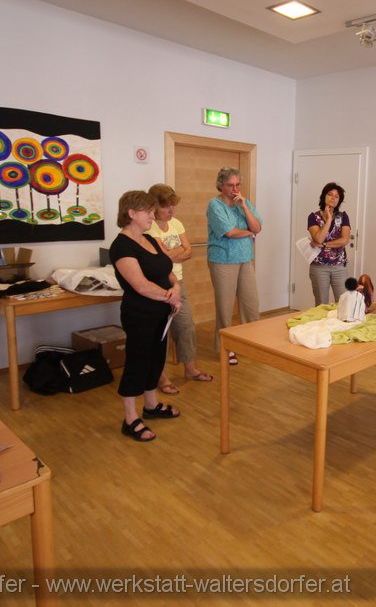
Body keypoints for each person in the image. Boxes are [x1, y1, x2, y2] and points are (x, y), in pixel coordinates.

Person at [110, 190, 182, 442]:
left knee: (156, 360)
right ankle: (130, 419)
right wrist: (170, 297)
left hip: (162, 312)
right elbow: (140, 285)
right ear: (131, 213)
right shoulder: (121, 246)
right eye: (148, 211)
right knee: (137, 363)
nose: (153, 215)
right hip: (139, 314)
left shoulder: (149, 239)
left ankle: (151, 405)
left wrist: (176, 288)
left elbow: (167, 271)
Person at [146, 183, 213, 394]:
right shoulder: (148, 227)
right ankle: (160, 377)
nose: (171, 210)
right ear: (154, 206)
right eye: (166, 206)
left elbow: (188, 251)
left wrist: (171, 254)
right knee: (160, 332)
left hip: (178, 283)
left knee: (186, 326)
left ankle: (190, 369)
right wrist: (176, 252)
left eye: (173, 205)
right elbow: (162, 257)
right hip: (157, 284)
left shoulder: (176, 223)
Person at [206, 167, 262, 365]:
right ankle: (225, 347)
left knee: (251, 304)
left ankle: (251, 342)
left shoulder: (244, 202)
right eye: (230, 185)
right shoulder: (214, 205)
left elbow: (257, 227)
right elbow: (229, 232)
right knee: (225, 306)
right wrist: (249, 232)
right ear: (221, 185)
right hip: (222, 260)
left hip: (245, 258)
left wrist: (245, 207)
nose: (235, 189)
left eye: (238, 184)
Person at [307, 182, 352, 305]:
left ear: (339, 201)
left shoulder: (343, 216)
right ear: (324, 196)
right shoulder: (313, 217)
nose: (333, 198)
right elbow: (318, 238)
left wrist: (324, 245)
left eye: (337, 196)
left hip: (339, 266)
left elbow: (344, 240)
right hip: (319, 267)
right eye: (330, 194)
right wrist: (329, 220)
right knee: (321, 304)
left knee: (343, 303)